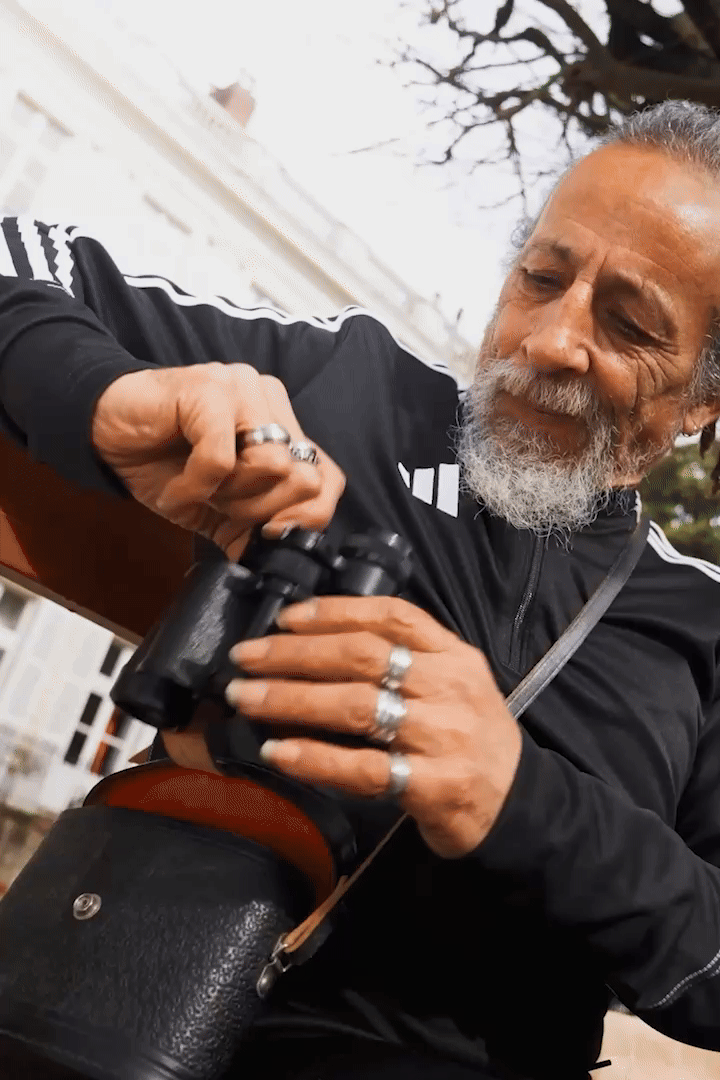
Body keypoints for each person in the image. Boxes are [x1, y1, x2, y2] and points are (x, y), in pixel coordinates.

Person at [2, 98, 720, 1080]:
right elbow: (22, 260)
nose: (551, 340)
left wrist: (520, 797)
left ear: (701, 402)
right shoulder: (359, 392)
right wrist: (106, 396)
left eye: (630, 324)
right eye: (541, 278)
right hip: (137, 1014)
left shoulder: (700, 623)